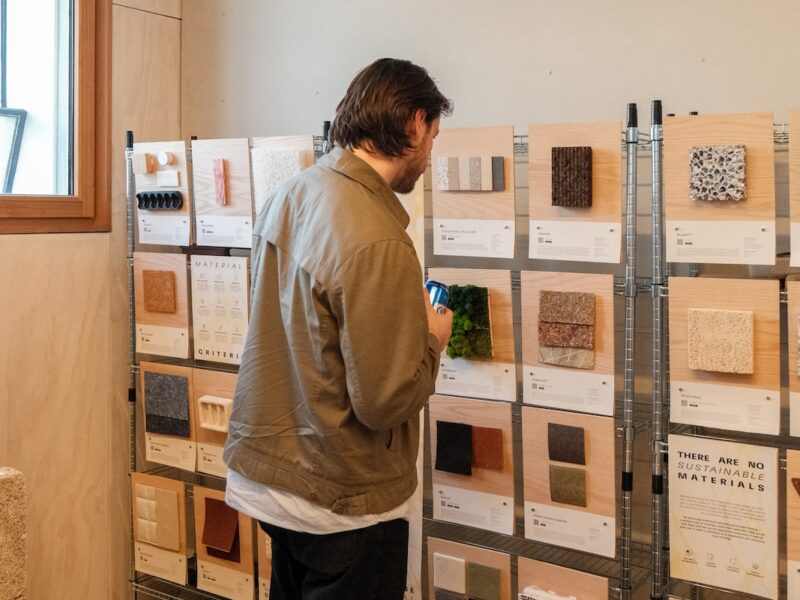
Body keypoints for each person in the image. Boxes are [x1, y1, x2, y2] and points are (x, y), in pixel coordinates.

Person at [223, 58, 454, 600]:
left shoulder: (293, 193)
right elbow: (383, 402)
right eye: (434, 138)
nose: (430, 155)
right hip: (341, 500)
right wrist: (431, 339)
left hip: (275, 479)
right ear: (415, 125)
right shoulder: (377, 237)